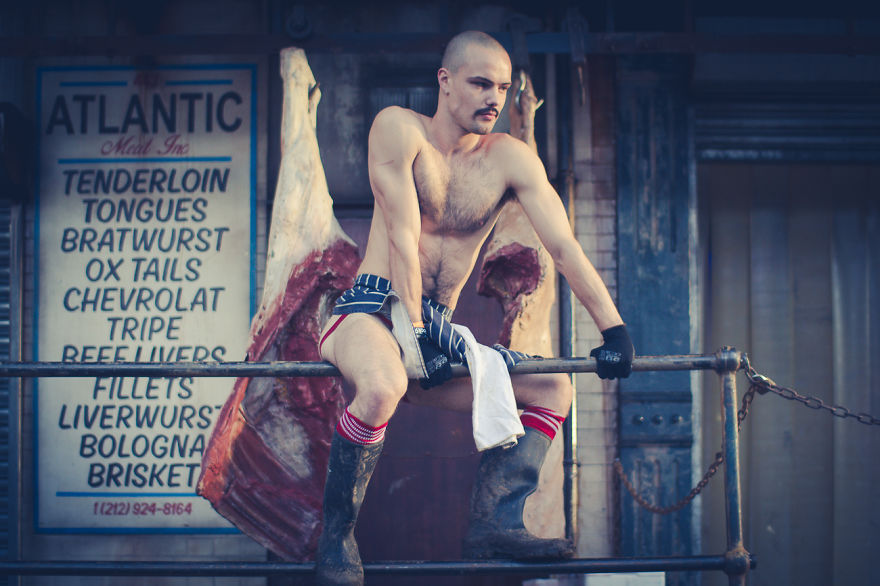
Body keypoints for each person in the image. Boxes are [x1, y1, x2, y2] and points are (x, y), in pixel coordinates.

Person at [315, 30, 634, 585]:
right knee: (384, 385)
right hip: (370, 313)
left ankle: (493, 525)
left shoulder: (510, 159)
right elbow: (403, 234)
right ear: (444, 81)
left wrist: (614, 329)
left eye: (504, 87)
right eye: (481, 83)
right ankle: (336, 537)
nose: (495, 98)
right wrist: (412, 331)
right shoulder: (398, 127)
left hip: (435, 331)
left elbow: (563, 246)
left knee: (555, 388)